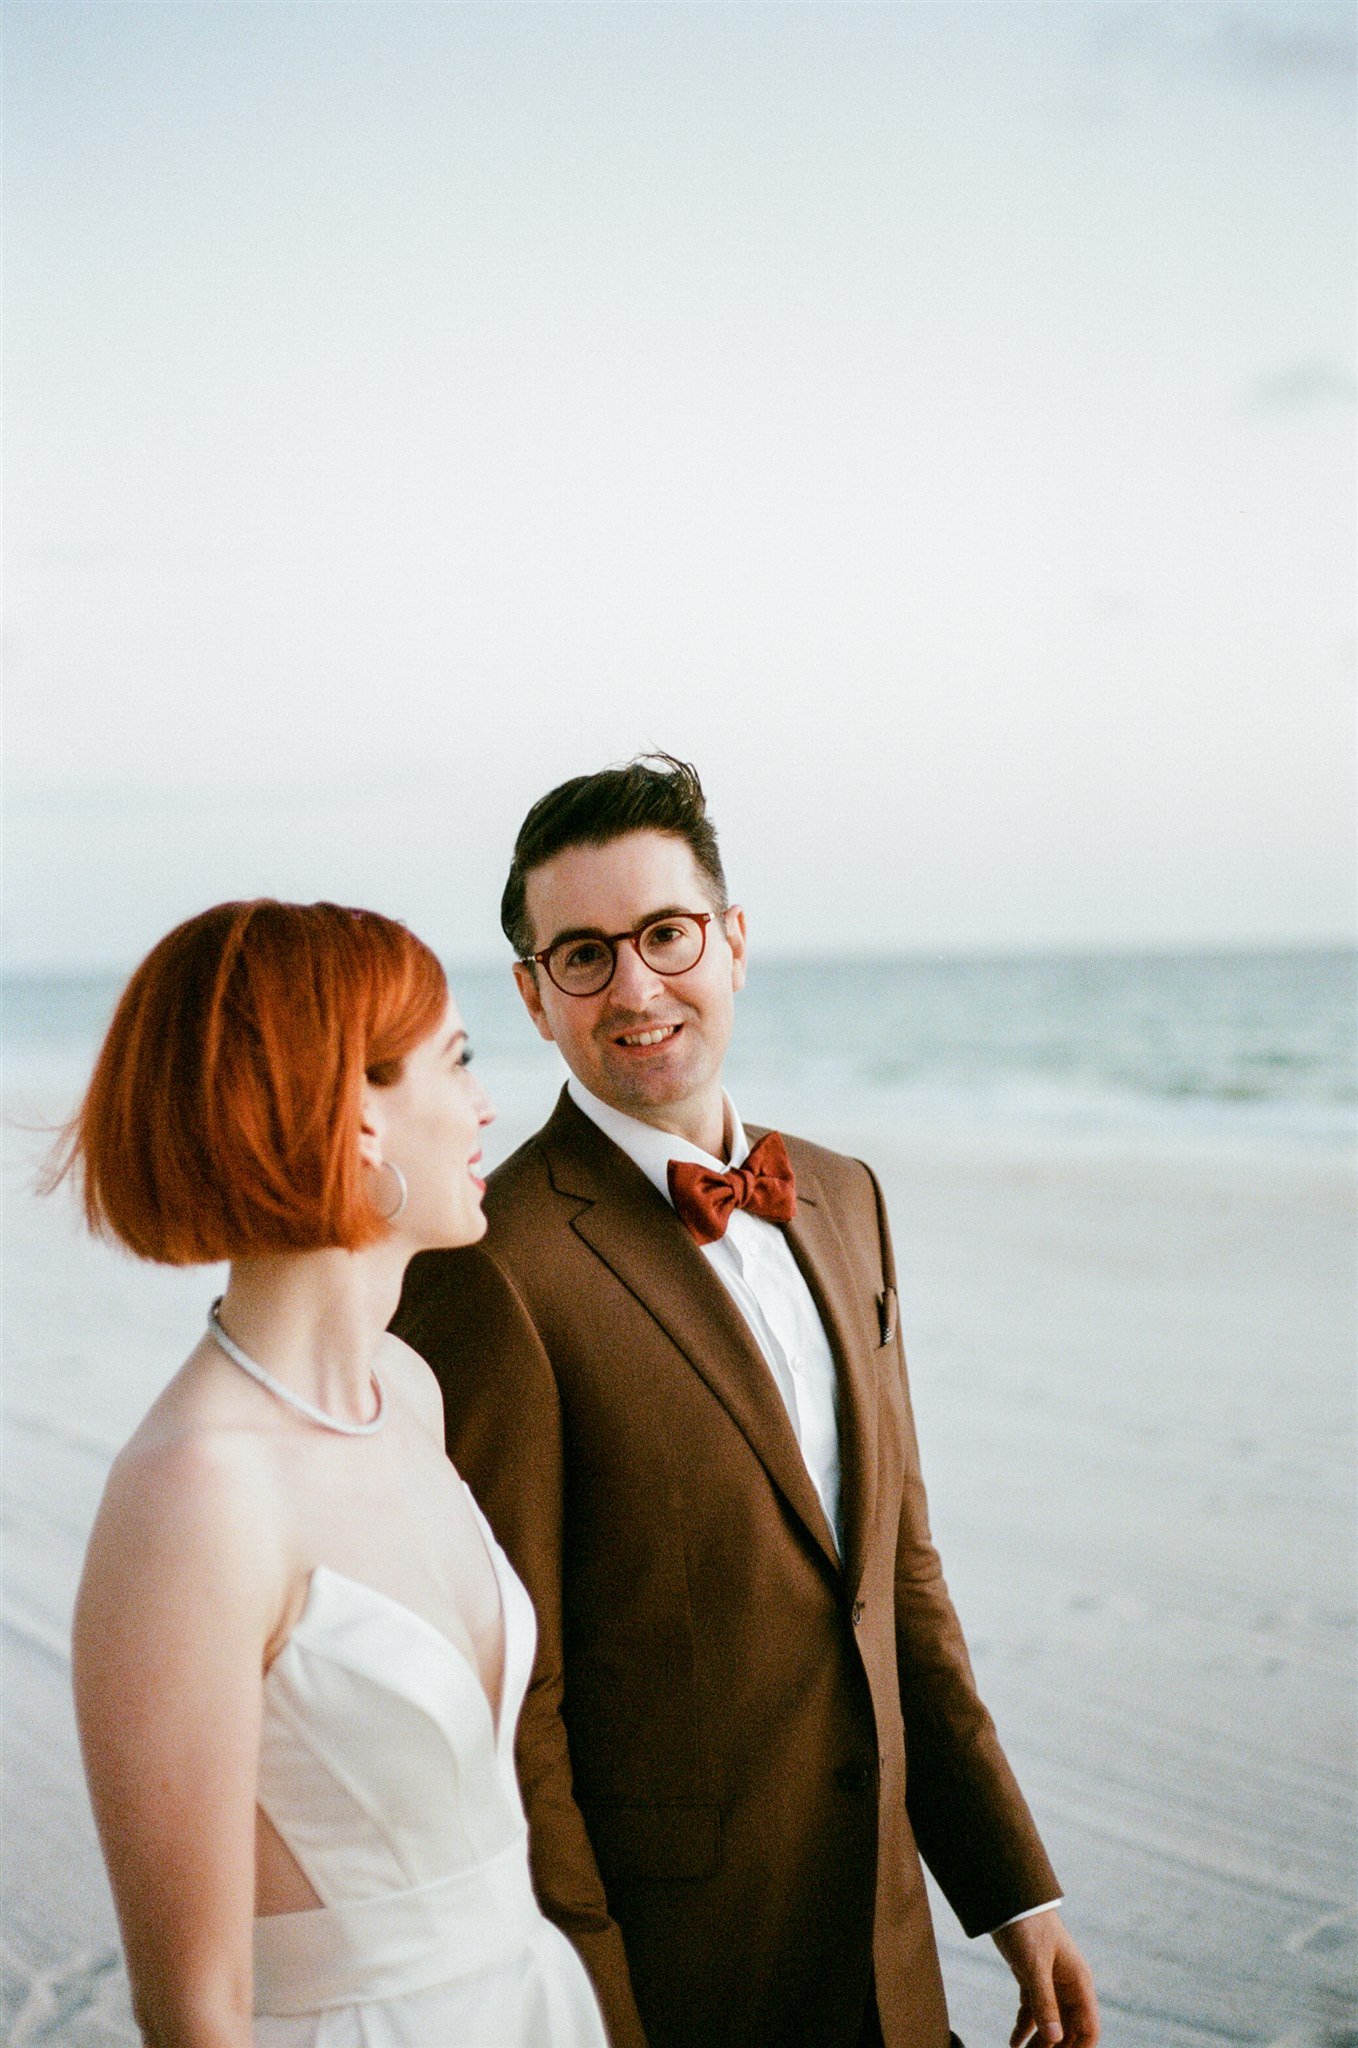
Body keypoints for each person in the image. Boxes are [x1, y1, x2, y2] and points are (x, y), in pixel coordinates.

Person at [394, 758, 1101, 2048]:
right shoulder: (487, 1269)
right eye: (584, 955)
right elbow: (513, 1705)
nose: (637, 987)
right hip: (684, 1977)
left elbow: (902, 1578)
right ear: (532, 996)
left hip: (892, 1960)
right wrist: (596, 2014)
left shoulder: (844, 1196)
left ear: (731, 940)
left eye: (665, 934)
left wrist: (1014, 1889)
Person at [54, 899, 609, 2048]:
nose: (485, 1105)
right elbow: (193, 2009)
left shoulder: (407, 1388)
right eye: (457, 1061)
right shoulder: (192, 1497)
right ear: (356, 1113)